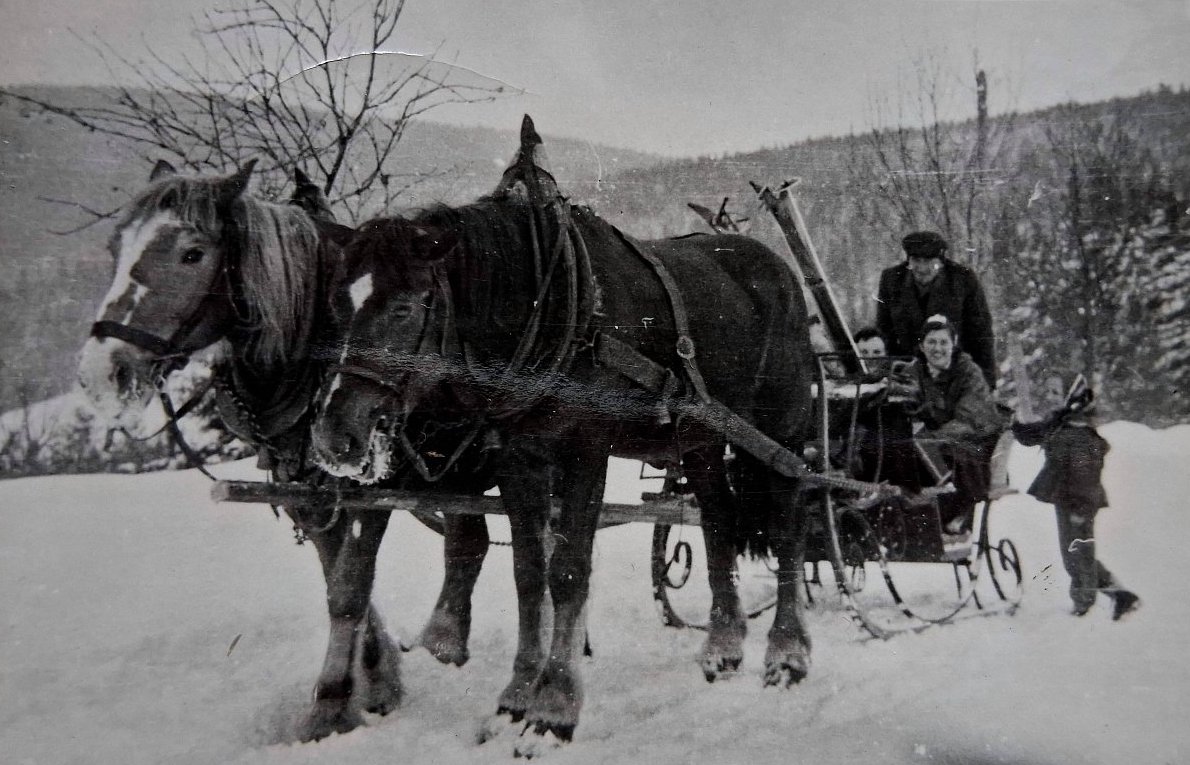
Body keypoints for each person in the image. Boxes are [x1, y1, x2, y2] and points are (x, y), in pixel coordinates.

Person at [1012, 373, 1141, 620]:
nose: (1049, 397)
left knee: (1077, 555)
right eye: (1049, 391)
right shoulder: (1060, 421)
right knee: (1077, 553)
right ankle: (1121, 596)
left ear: (1071, 396)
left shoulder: (1080, 432)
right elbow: (1033, 434)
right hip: (1067, 498)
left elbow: (1085, 477)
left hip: (1079, 502)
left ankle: (1084, 607)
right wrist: (1015, 423)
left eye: (1055, 392)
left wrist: (1080, 510)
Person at [891, 315, 1004, 535]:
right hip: (931, 442)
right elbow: (904, 408)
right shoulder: (913, 372)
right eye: (931, 342)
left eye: (943, 342)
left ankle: (956, 513)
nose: (937, 348)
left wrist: (932, 438)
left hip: (972, 439)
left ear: (954, 344)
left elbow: (969, 418)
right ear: (922, 346)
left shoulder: (968, 372)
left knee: (954, 458)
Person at [876, 231, 997, 389]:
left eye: (929, 262)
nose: (922, 268)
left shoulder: (963, 280)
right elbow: (884, 331)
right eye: (916, 261)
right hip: (907, 374)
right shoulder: (892, 280)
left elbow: (981, 335)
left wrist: (987, 383)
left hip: (954, 374)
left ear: (941, 262)